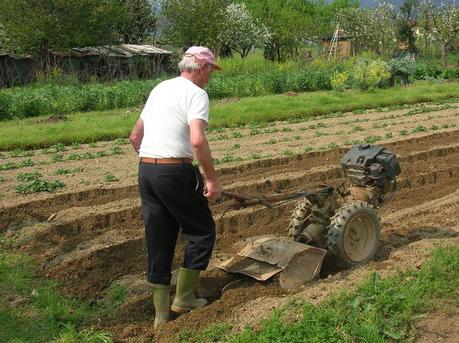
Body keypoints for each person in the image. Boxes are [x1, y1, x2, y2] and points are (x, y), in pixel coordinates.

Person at [129, 46, 222, 328]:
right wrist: (211, 179)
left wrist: (156, 165)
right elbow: (197, 140)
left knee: (159, 237)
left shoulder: (160, 88)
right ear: (202, 68)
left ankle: (161, 316)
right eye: (210, 72)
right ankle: (183, 298)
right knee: (202, 231)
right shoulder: (196, 94)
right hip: (174, 171)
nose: (210, 78)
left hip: (146, 169)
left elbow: (135, 136)